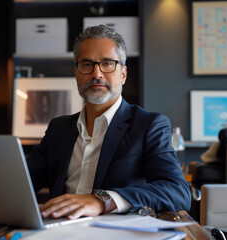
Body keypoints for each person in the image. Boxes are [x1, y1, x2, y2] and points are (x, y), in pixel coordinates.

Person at [27, 24, 191, 220]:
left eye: (107, 63)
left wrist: (102, 200)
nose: (97, 74)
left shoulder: (149, 125)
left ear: (123, 74)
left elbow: (177, 192)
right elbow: (22, 183)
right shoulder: (58, 129)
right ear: (77, 73)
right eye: (87, 64)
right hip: (59, 230)